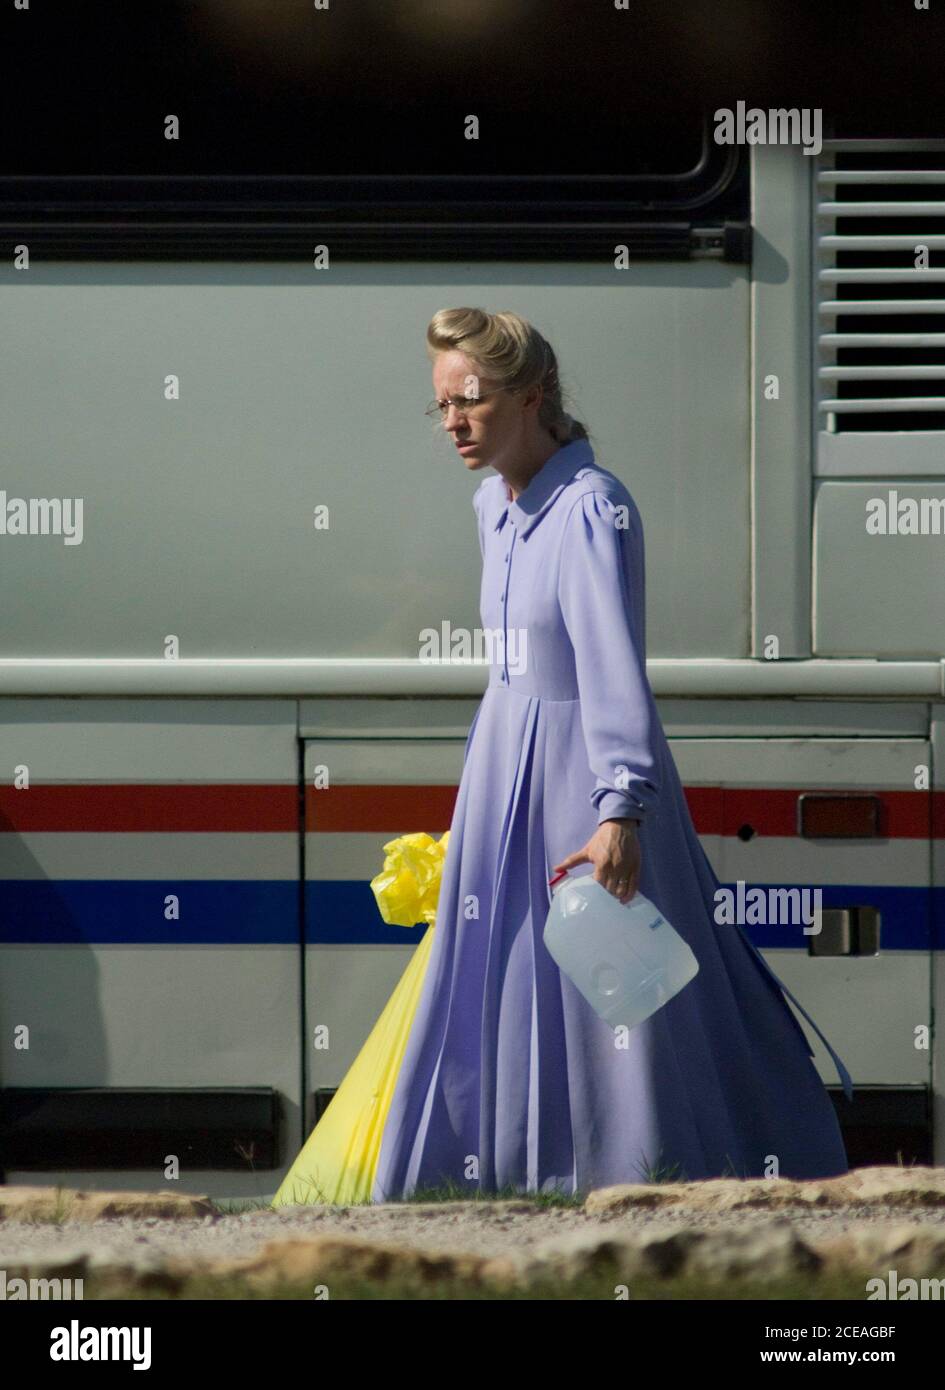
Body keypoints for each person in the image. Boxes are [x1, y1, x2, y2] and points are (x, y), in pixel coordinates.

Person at [276, 306, 851, 1206]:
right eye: (442, 408)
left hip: (580, 785)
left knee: (618, 1001)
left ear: (531, 394)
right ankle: (509, 1183)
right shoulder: (492, 508)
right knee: (501, 980)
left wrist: (620, 807)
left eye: (470, 400)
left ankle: (651, 1185)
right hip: (503, 776)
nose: (454, 423)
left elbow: (609, 667)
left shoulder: (591, 508)